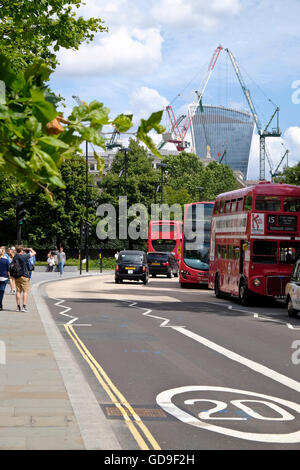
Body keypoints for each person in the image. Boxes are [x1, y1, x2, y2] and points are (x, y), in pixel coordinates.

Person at [12, 246, 36, 312]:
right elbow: (34, 253)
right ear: (22, 250)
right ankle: (24, 307)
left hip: (17, 276)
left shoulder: (15, 257)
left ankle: (18, 307)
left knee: (18, 291)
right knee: (25, 291)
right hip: (24, 276)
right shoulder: (24, 256)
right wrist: (30, 249)